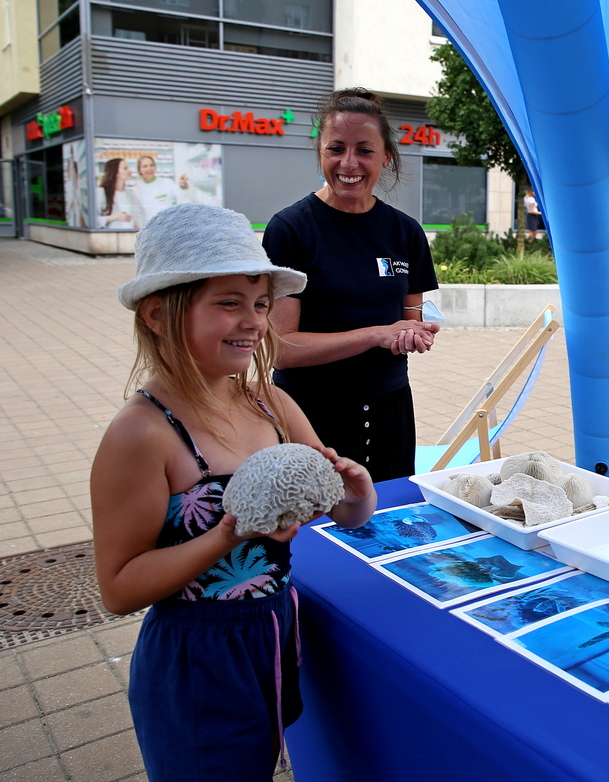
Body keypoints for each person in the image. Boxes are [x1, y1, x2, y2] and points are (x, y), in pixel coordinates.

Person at [91, 204, 377, 782]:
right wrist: (230, 531)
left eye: (261, 304)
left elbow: (342, 513)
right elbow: (119, 589)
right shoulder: (142, 434)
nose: (253, 322)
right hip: (197, 656)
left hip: (273, 633)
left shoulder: (268, 401)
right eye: (229, 303)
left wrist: (356, 490)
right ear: (157, 313)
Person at [264, 88, 440, 482]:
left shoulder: (405, 232)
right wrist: (376, 334)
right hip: (309, 412)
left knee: (388, 521)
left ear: (385, 157)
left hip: (389, 406)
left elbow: (410, 318)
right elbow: (282, 349)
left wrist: (415, 333)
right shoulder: (290, 230)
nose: (349, 163)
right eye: (336, 148)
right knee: (311, 528)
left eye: (364, 150)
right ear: (320, 153)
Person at [129, 155, 191, 228]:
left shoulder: (166, 182)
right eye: (145, 166)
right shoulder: (136, 190)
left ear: (155, 167)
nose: (149, 168)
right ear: (140, 170)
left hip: (168, 226)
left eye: (151, 165)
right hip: (149, 229)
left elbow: (182, 194)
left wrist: (183, 184)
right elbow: (138, 213)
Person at [97, 158, 135, 229]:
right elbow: (94, 221)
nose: (129, 170)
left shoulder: (129, 193)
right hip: (111, 237)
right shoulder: (102, 192)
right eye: (125, 168)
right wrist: (116, 217)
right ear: (116, 173)